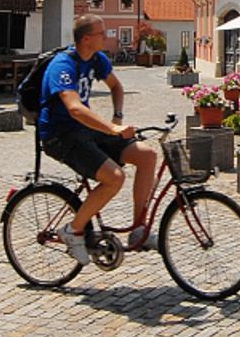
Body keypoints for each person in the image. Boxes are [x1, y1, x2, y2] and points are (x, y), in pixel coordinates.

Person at [39, 14, 160, 264]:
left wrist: (116, 117)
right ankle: (73, 230)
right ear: (86, 39)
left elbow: (116, 86)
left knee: (147, 156)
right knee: (114, 178)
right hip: (60, 135)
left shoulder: (97, 59)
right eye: (101, 34)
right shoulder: (62, 65)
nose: (106, 37)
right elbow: (74, 108)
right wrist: (112, 130)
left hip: (85, 129)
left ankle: (139, 229)